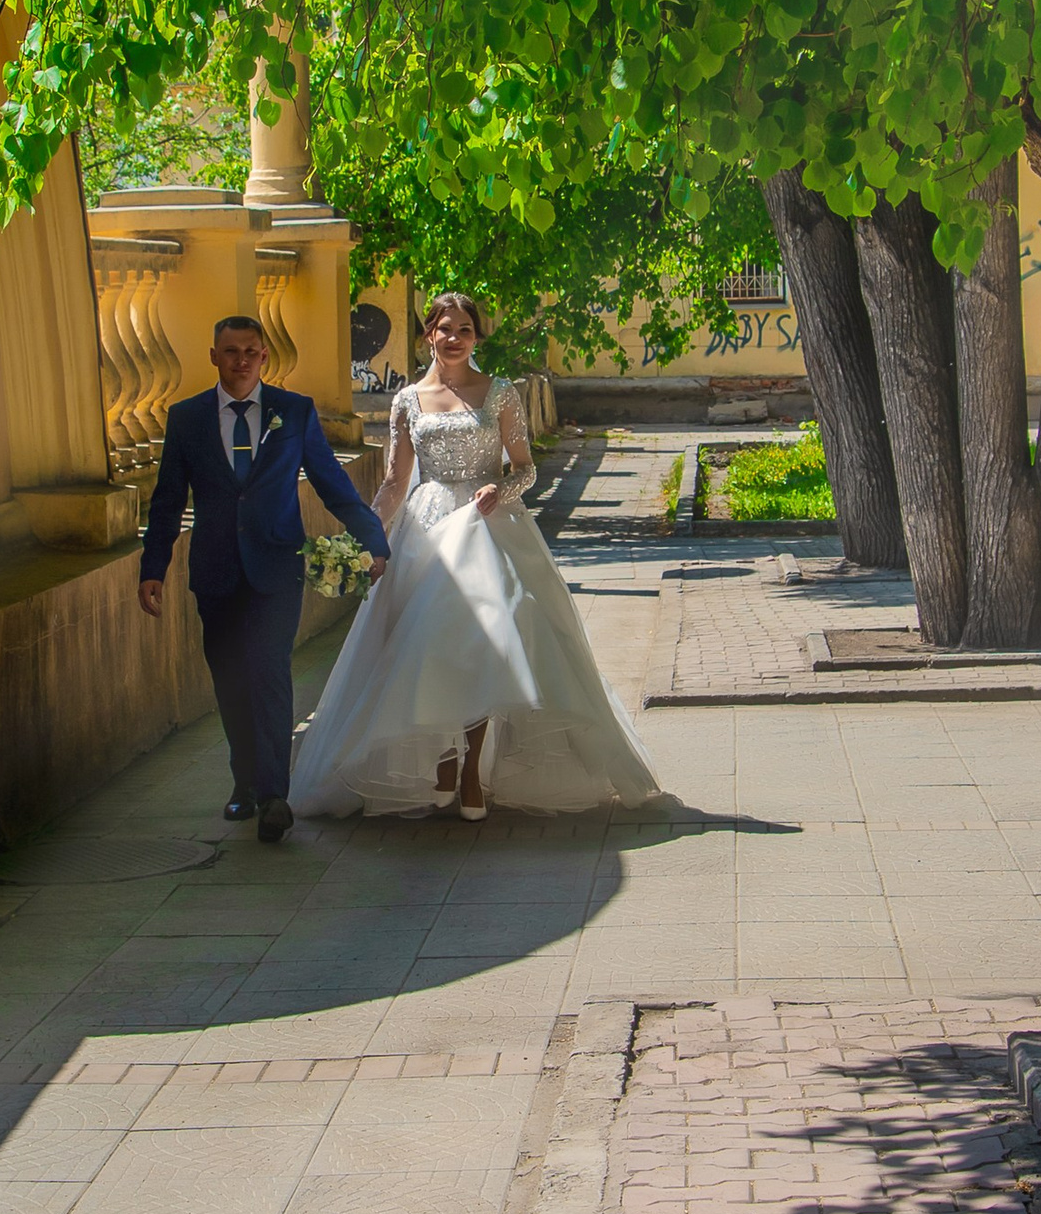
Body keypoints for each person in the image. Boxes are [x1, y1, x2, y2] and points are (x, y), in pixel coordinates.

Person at [291, 290, 660, 820]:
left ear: (476, 337)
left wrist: (500, 491)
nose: (455, 338)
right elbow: (395, 480)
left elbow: (525, 468)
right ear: (428, 335)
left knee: (483, 645)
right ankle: (444, 761)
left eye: (465, 329)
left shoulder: (501, 392)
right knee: (430, 647)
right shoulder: (407, 399)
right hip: (427, 528)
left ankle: (470, 771)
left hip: (489, 527)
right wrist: (367, 537)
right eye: (446, 328)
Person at [138, 316, 390, 841]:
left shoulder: (292, 412)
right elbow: (166, 500)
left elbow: (330, 481)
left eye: (252, 351)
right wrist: (152, 569)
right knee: (230, 680)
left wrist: (373, 538)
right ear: (214, 356)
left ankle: (275, 794)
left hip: (276, 566)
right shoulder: (186, 419)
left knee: (271, 671)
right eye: (231, 351)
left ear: (264, 356)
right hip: (214, 569)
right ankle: (244, 784)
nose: (242, 360)